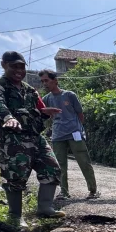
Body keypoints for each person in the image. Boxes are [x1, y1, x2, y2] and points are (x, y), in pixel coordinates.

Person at [0, 51, 64, 227]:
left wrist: (45, 112)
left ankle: (45, 208)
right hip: (11, 138)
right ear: (4, 64)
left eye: (22, 67)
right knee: (16, 175)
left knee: (51, 168)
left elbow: (39, 108)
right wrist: (8, 118)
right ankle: (15, 216)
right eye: (14, 66)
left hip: (35, 136)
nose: (19, 70)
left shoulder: (30, 90)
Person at [39, 70, 99, 200]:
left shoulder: (69, 95)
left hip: (74, 133)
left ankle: (93, 191)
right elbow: (41, 112)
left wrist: (79, 129)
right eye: (42, 81)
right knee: (60, 165)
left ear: (55, 81)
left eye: (46, 80)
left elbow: (80, 114)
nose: (44, 83)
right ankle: (64, 192)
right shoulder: (47, 99)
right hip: (57, 135)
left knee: (84, 161)